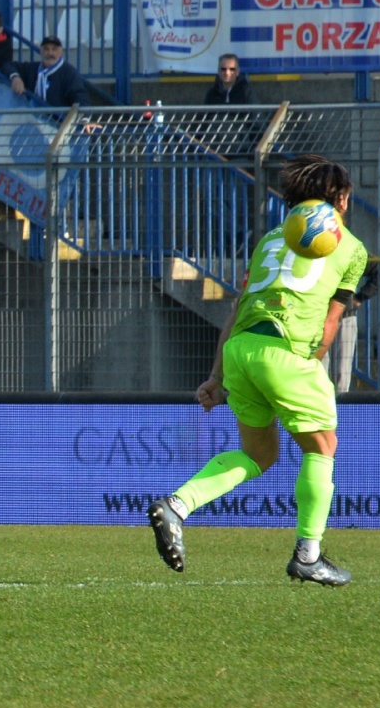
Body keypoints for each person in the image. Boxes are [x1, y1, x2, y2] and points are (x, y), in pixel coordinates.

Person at [146, 155, 368, 587]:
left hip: (241, 351)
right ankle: (309, 554)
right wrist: (310, 365)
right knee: (322, 445)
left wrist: (217, 376)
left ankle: (177, 505)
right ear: (339, 199)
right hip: (287, 354)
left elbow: (238, 309)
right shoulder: (352, 247)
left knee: (257, 455)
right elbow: (330, 322)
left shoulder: (270, 239)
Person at [321, 262, 380, 394]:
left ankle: (340, 409)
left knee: (342, 373)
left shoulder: (350, 249)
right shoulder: (308, 247)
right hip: (316, 318)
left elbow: (378, 270)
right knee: (318, 370)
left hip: (344, 316)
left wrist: (360, 297)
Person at [5, 35, 87, 108]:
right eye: (46, 49)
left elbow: (79, 96)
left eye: (54, 49)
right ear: (41, 52)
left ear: (60, 52)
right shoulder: (32, 68)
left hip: (57, 121)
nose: (50, 53)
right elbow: (7, 65)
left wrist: (83, 119)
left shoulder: (69, 72)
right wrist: (15, 77)